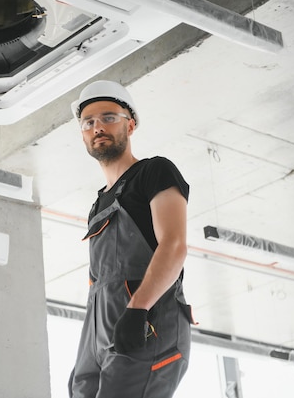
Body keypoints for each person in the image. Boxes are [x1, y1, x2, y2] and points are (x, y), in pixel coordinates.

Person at [68, 80, 194, 398]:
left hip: (145, 323)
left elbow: (174, 246)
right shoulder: (98, 203)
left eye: (109, 117)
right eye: (89, 122)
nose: (98, 126)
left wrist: (137, 310)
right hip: (98, 334)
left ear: (131, 124)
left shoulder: (154, 172)